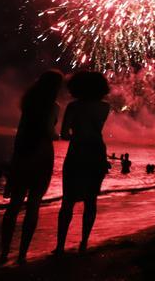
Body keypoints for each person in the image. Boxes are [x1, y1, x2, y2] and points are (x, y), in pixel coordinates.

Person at [1, 70, 64, 265]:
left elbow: (21, 131)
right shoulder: (53, 106)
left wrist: (15, 156)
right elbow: (48, 130)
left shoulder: (28, 103)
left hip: (23, 151)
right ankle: (22, 253)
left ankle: (4, 252)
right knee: (34, 203)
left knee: (14, 205)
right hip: (42, 152)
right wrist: (59, 137)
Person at [54, 71, 111, 255]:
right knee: (91, 200)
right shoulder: (105, 107)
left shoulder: (73, 107)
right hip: (97, 151)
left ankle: (60, 246)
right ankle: (84, 242)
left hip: (78, 152)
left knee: (68, 201)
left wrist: (75, 133)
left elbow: (64, 134)